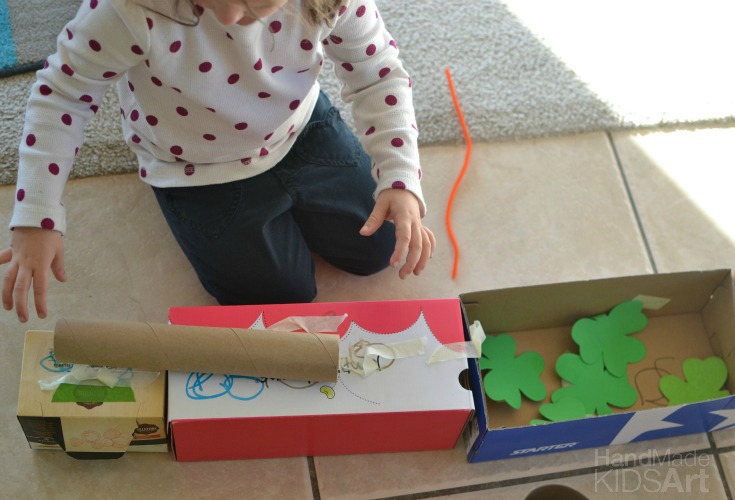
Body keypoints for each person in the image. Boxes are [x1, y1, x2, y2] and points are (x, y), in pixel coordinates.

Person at [0, 0, 435, 323]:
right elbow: (62, 95)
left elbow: (378, 72)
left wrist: (399, 178)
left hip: (297, 130)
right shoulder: (125, 10)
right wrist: (36, 214)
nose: (228, 16)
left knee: (380, 247)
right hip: (193, 167)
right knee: (281, 298)